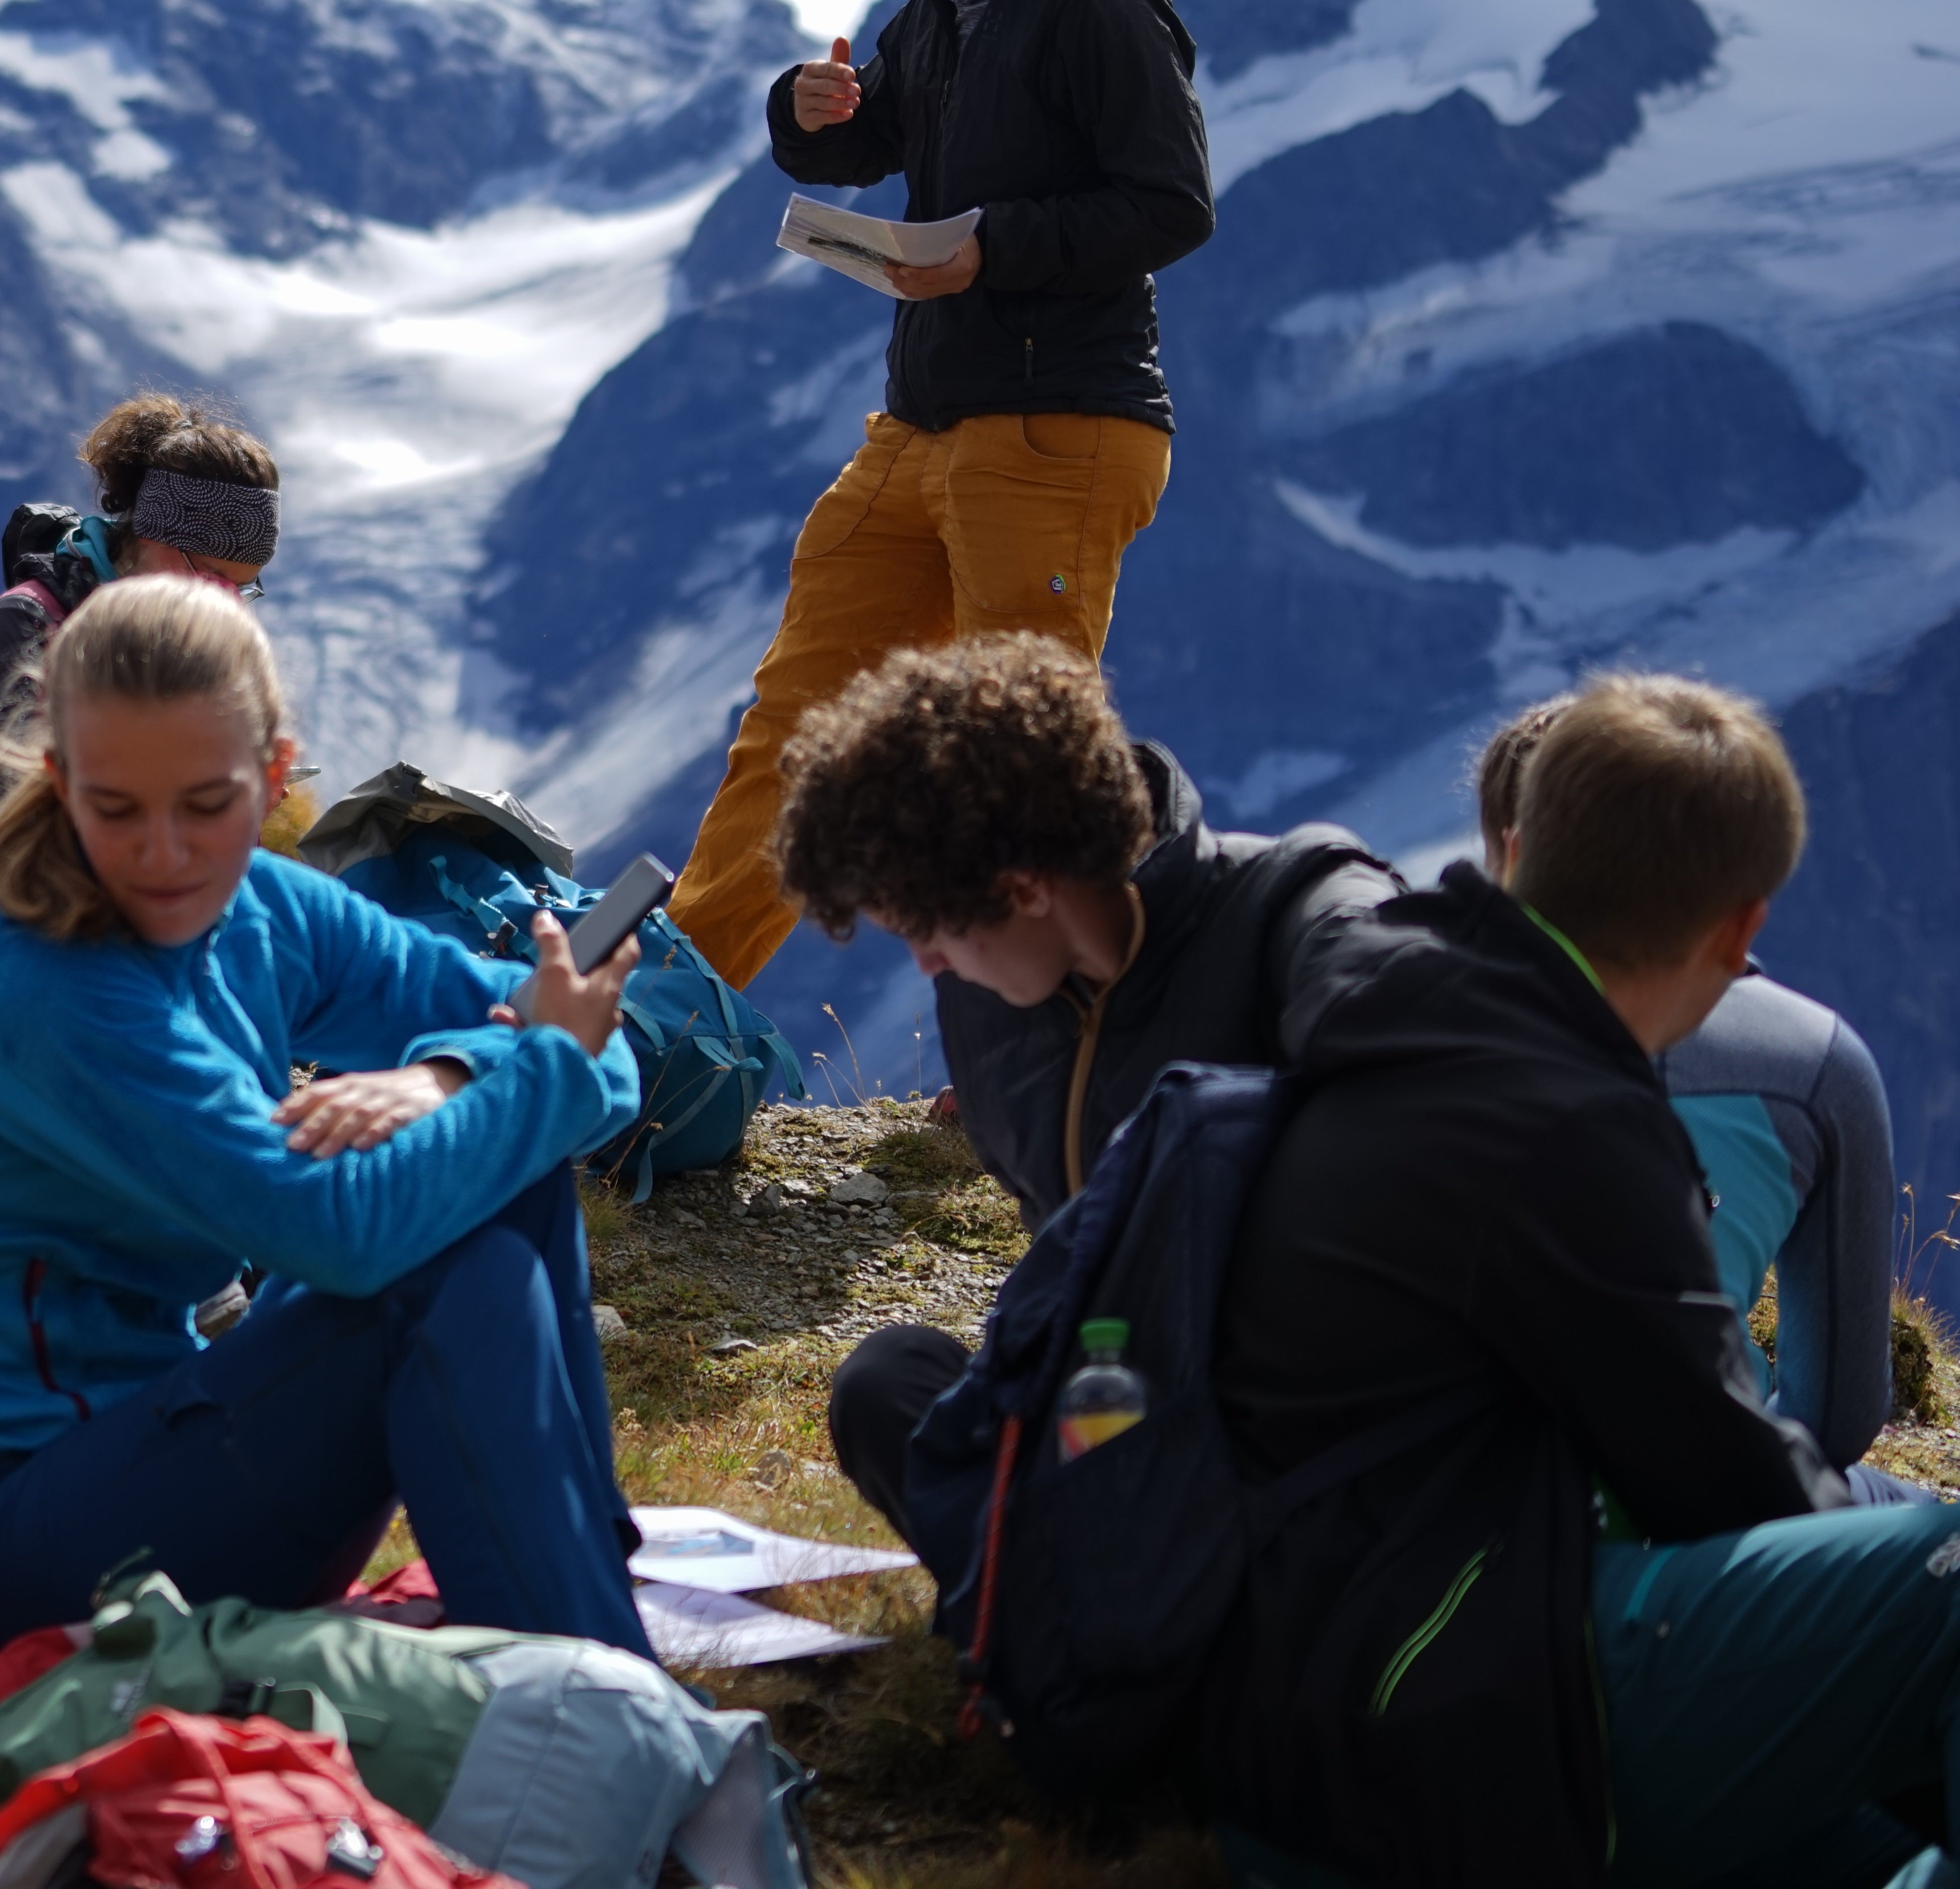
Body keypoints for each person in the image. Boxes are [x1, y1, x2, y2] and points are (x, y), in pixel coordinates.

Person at [1196, 676, 1960, 1889]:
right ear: (1736, 928)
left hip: (1311, 1721)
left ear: (1516, 841)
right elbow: (1717, 1477)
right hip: (1456, 1724)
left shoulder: (1386, 1013)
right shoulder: (1558, 1115)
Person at [0, 576, 653, 1651]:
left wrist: (453, 1073)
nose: (165, 851)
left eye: (206, 804)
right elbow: (338, 1233)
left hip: (157, 1462)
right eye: (115, 809)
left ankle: (583, 1635)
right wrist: (528, 1062)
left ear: (272, 777)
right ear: (59, 780)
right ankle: (592, 1691)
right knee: (462, 1239)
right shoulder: (42, 979)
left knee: (505, 1160)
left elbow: (602, 1051)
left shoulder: (263, 908)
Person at [667, 0, 1214, 993]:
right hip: (924, 423)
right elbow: (861, 149)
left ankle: (1056, 1046)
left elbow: (1168, 206)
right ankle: (659, 1012)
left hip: (1059, 424)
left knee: (1017, 763)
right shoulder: (935, 10)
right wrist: (803, 111)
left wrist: (989, 254)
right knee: (795, 719)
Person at [780, 634, 1399, 1532]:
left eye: (930, 927)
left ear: (1026, 886)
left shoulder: (1305, 921)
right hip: (1115, 1422)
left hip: (1299, 1442)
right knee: (884, 1387)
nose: (926, 962)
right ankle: (1094, 1609)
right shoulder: (987, 995)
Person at [1475, 695, 1904, 1482]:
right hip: (1693, 1506)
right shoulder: (1813, 1063)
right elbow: (1836, 1422)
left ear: (1511, 848)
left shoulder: (1388, 1019)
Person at [0, 395, 279, 808]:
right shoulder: (20, 631)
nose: (222, 605)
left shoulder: (200, 655)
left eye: (242, 589)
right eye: (206, 574)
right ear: (150, 533)